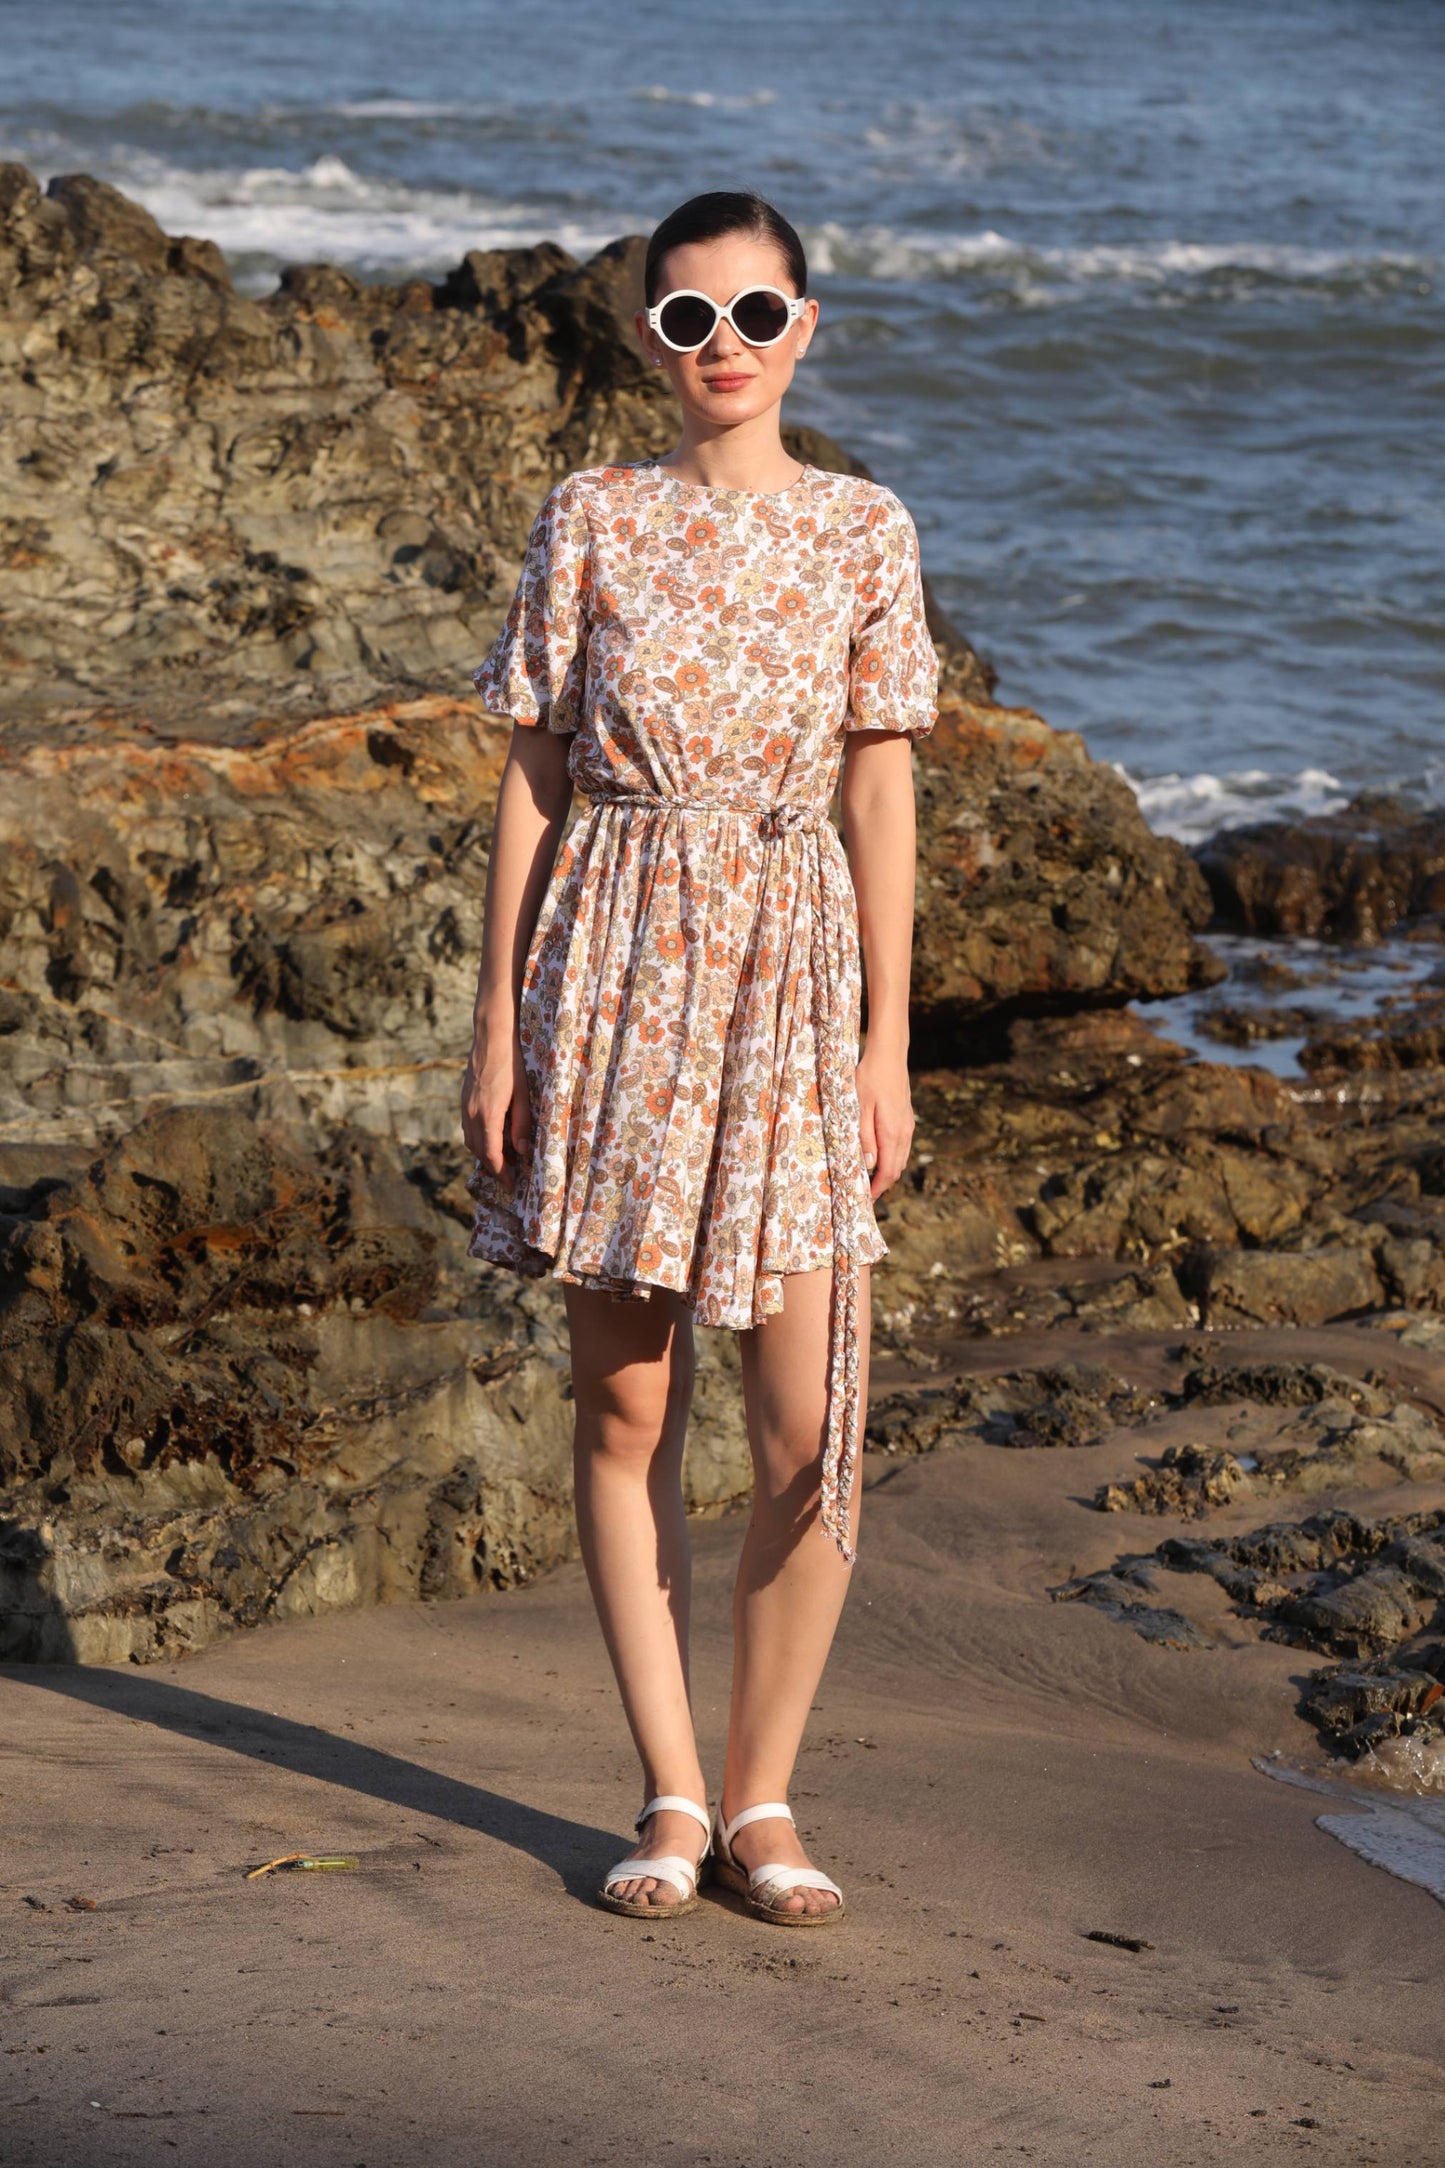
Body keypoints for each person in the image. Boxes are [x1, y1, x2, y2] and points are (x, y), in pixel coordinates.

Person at [461, 189, 938, 1926]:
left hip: (792, 977)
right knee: (628, 1402)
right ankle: (669, 1792)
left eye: (752, 314)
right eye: (686, 320)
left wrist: (891, 1038)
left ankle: (766, 1798)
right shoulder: (589, 516)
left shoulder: (863, 530)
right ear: (646, 339)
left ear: (804, 325)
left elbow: (880, 783)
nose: (720, 348)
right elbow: (532, 776)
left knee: (816, 1430)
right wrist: (499, 1020)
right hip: (612, 966)